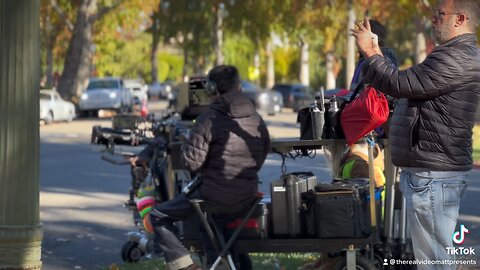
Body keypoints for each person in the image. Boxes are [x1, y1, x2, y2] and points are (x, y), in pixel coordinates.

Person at [352, 0, 480, 268]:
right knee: (433, 258)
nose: (434, 19)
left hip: (433, 174)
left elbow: (400, 84)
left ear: (460, 19)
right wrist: (375, 50)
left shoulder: (455, 57)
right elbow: (408, 85)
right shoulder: (457, 53)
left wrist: (370, 53)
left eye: (440, 14)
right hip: (432, 171)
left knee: (434, 261)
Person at [142, 65, 270, 270]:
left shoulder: (208, 119)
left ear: (211, 89)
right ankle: (218, 264)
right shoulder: (256, 118)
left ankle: (185, 266)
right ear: (238, 86)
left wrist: (189, 145)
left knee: (158, 216)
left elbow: (191, 162)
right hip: (247, 197)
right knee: (209, 222)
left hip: (215, 197)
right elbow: (262, 152)